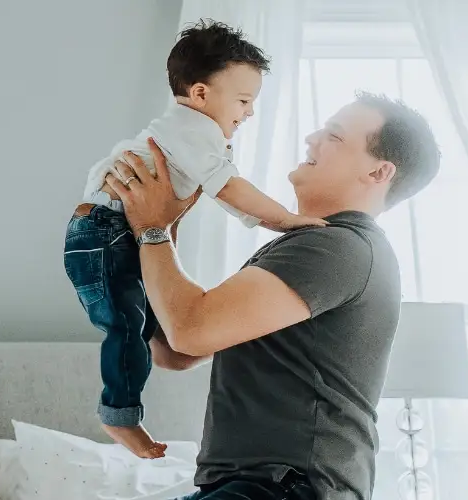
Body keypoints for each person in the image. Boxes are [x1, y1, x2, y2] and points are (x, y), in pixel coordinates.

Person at [104, 92, 442, 499]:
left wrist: (153, 230)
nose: (312, 139)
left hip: (286, 487)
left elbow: (189, 331)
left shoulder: (337, 248)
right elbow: (176, 351)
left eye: (334, 136)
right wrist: (161, 228)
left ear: (378, 172)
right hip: (257, 485)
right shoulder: (319, 246)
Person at [64, 19, 327, 459]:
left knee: (145, 326)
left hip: (109, 231)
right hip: (107, 232)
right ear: (201, 94)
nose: (249, 112)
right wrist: (284, 219)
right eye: (243, 101)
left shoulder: (185, 133)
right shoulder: (194, 131)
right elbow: (229, 188)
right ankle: (118, 414)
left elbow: (214, 191)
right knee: (125, 327)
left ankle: (152, 365)